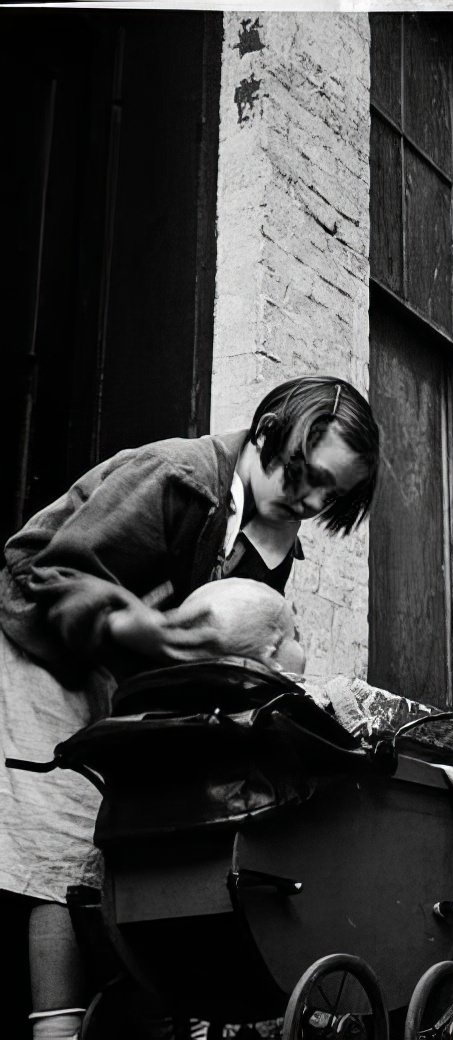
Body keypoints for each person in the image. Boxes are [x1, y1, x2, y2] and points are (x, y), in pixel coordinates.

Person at [0, 375, 379, 1040]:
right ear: (269, 433)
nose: (314, 501)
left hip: (131, 672)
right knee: (63, 838)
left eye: (335, 494)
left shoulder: (273, 542)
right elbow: (48, 573)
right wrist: (139, 628)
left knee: (149, 826)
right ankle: (54, 1030)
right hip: (45, 642)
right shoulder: (175, 477)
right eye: (306, 476)